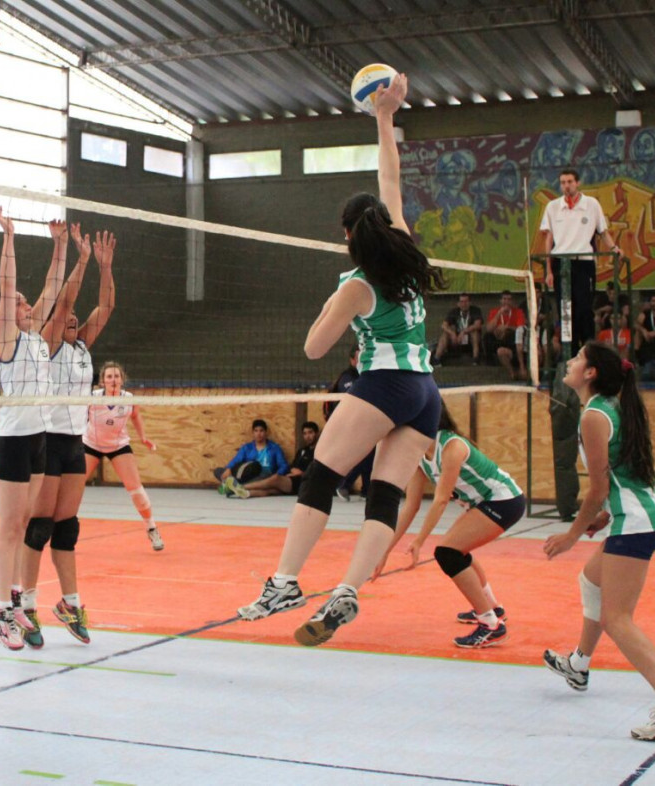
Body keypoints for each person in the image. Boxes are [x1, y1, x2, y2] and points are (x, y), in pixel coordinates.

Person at [236, 73, 446, 649]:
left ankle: (283, 582)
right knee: (384, 494)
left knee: (321, 478)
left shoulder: (357, 284)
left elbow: (312, 347)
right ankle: (349, 590)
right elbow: (391, 177)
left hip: (384, 384)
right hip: (426, 390)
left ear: (349, 234)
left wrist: (335, 305)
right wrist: (384, 117)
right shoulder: (406, 248)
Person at [542, 342, 655, 742]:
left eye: (577, 358)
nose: (571, 362)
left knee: (617, 618)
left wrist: (571, 534)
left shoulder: (595, 415)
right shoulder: (612, 405)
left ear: (591, 373)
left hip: (639, 521)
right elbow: (623, 475)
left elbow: (596, 489)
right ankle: (579, 664)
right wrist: (605, 517)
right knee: (591, 581)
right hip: (644, 515)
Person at [17, 225, 116, 649]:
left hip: (74, 441)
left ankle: (70, 603)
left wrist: (106, 268)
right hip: (47, 440)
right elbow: (67, 304)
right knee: (38, 527)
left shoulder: (82, 349)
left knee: (67, 528)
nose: (73, 317)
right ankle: (26, 605)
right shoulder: (49, 343)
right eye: (67, 314)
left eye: (76, 317)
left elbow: (106, 306)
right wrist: (81, 261)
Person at [0, 207, 60, 651]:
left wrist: (60, 245)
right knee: (9, 526)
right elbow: (9, 287)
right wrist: (9, 237)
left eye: (26, 303)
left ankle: (14, 601)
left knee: (25, 523)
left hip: (38, 439)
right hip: (11, 441)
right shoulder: (4, 339)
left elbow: (52, 289)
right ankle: (0, 608)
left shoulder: (36, 337)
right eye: (20, 303)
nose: (27, 304)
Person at [373, 402, 525, 648]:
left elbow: (441, 500)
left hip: (504, 501)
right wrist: (385, 551)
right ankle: (493, 610)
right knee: (457, 550)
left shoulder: (451, 446)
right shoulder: (420, 453)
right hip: (484, 503)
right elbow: (410, 506)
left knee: (447, 553)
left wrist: (420, 541)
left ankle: (490, 624)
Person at [536, 168, 620, 357]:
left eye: (569, 182)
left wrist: (614, 248)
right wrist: (548, 270)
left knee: (584, 307)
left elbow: (603, 231)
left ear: (578, 183)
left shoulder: (591, 204)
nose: (566, 186)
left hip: (583, 262)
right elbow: (548, 239)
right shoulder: (553, 206)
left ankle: (588, 349)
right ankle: (570, 352)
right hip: (560, 262)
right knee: (565, 310)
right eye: (563, 182)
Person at [83, 361, 161, 547]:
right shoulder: (92, 398)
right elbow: (77, 415)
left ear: (122, 379)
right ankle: (61, 529)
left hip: (118, 446)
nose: (113, 380)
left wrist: (143, 437)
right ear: (102, 381)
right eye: (109, 377)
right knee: (73, 489)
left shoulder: (128, 398)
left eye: (116, 376)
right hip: (90, 444)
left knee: (136, 490)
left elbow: (135, 416)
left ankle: (152, 528)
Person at [323, 346, 373, 501]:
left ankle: (366, 490)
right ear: (352, 360)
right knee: (366, 453)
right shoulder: (348, 377)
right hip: (345, 425)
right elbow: (355, 401)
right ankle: (344, 484)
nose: (362, 361)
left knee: (371, 451)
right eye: (359, 358)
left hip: (361, 423)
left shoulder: (366, 375)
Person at [226, 422, 319, 499]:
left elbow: (319, 471)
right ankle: (245, 493)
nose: (308, 436)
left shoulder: (319, 451)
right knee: (269, 491)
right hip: (291, 479)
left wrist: (302, 473)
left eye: (310, 433)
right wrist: (292, 470)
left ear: (316, 433)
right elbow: (292, 465)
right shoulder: (302, 451)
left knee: (275, 478)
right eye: (305, 433)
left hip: (303, 482)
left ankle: (240, 487)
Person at [213, 419, 290, 489]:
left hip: (265, 474)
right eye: (256, 431)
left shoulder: (274, 448)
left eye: (261, 431)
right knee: (218, 471)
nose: (258, 434)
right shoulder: (247, 447)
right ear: (253, 433)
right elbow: (236, 460)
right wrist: (228, 469)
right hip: (248, 473)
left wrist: (276, 476)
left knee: (261, 476)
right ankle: (236, 485)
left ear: (266, 432)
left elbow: (283, 465)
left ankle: (234, 485)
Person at [484, 290, 528, 380]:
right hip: (498, 338)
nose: (506, 302)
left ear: (512, 301)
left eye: (509, 299)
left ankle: (516, 370)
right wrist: (499, 314)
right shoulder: (494, 311)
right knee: (487, 337)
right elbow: (488, 328)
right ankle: (492, 361)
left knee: (514, 335)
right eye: (504, 299)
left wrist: (507, 327)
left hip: (511, 339)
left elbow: (521, 328)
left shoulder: (518, 312)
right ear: (500, 301)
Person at [433, 293, 483, 366]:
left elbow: (477, 325)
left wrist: (464, 332)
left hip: (470, 340)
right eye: (462, 302)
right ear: (458, 304)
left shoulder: (475, 310)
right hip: (457, 340)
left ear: (470, 303)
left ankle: (476, 359)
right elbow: (444, 325)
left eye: (466, 301)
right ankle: (436, 359)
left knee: (474, 332)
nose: (464, 304)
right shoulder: (454, 311)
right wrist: (452, 333)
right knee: (445, 334)